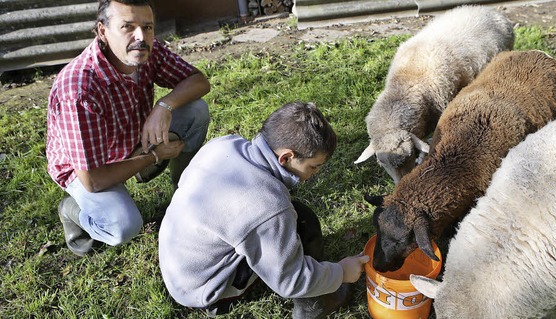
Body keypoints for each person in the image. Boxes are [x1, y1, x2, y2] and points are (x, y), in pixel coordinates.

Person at [158, 102, 370, 318]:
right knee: (304, 226)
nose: (315, 173)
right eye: (314, 166)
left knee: (295, 217)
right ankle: (314, 306)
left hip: (179, 263)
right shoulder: (267, 206)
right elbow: (290, 280)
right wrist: (341, 272)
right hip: (206, 289)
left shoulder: (224, 145)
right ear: (286, 157)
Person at [46, 0, 211, 257]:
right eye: (127, 27)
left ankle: (184, 193)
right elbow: (93, 179)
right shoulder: (78, 91)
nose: (140, 37)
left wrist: (164, 106)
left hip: (132, 138)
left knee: (195, 111)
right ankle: (72, 210)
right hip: (88, 168)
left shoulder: (146, 50)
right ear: (102, 31)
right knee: (123, 227)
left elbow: (199, 81)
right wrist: (154, 156)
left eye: (147, 27)